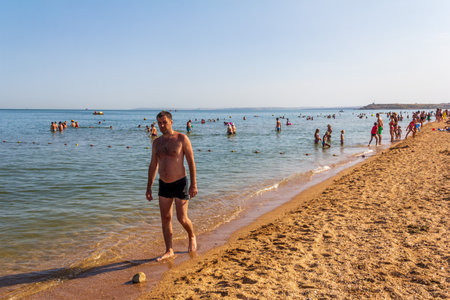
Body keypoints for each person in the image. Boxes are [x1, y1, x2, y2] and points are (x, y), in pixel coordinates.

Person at [146, 111, 197, 261]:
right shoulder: (156, 143)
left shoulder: (182, 138)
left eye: (164, 122)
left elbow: (191, 162)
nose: (162, 126)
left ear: (171, 122)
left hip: (180, 182)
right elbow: (153, 165)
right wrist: (148, 187)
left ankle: (192, 235)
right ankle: (169, 250)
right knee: (165, 218)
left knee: (182, 218)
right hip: (164, 185)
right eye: (159, 123)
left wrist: (193, 184)